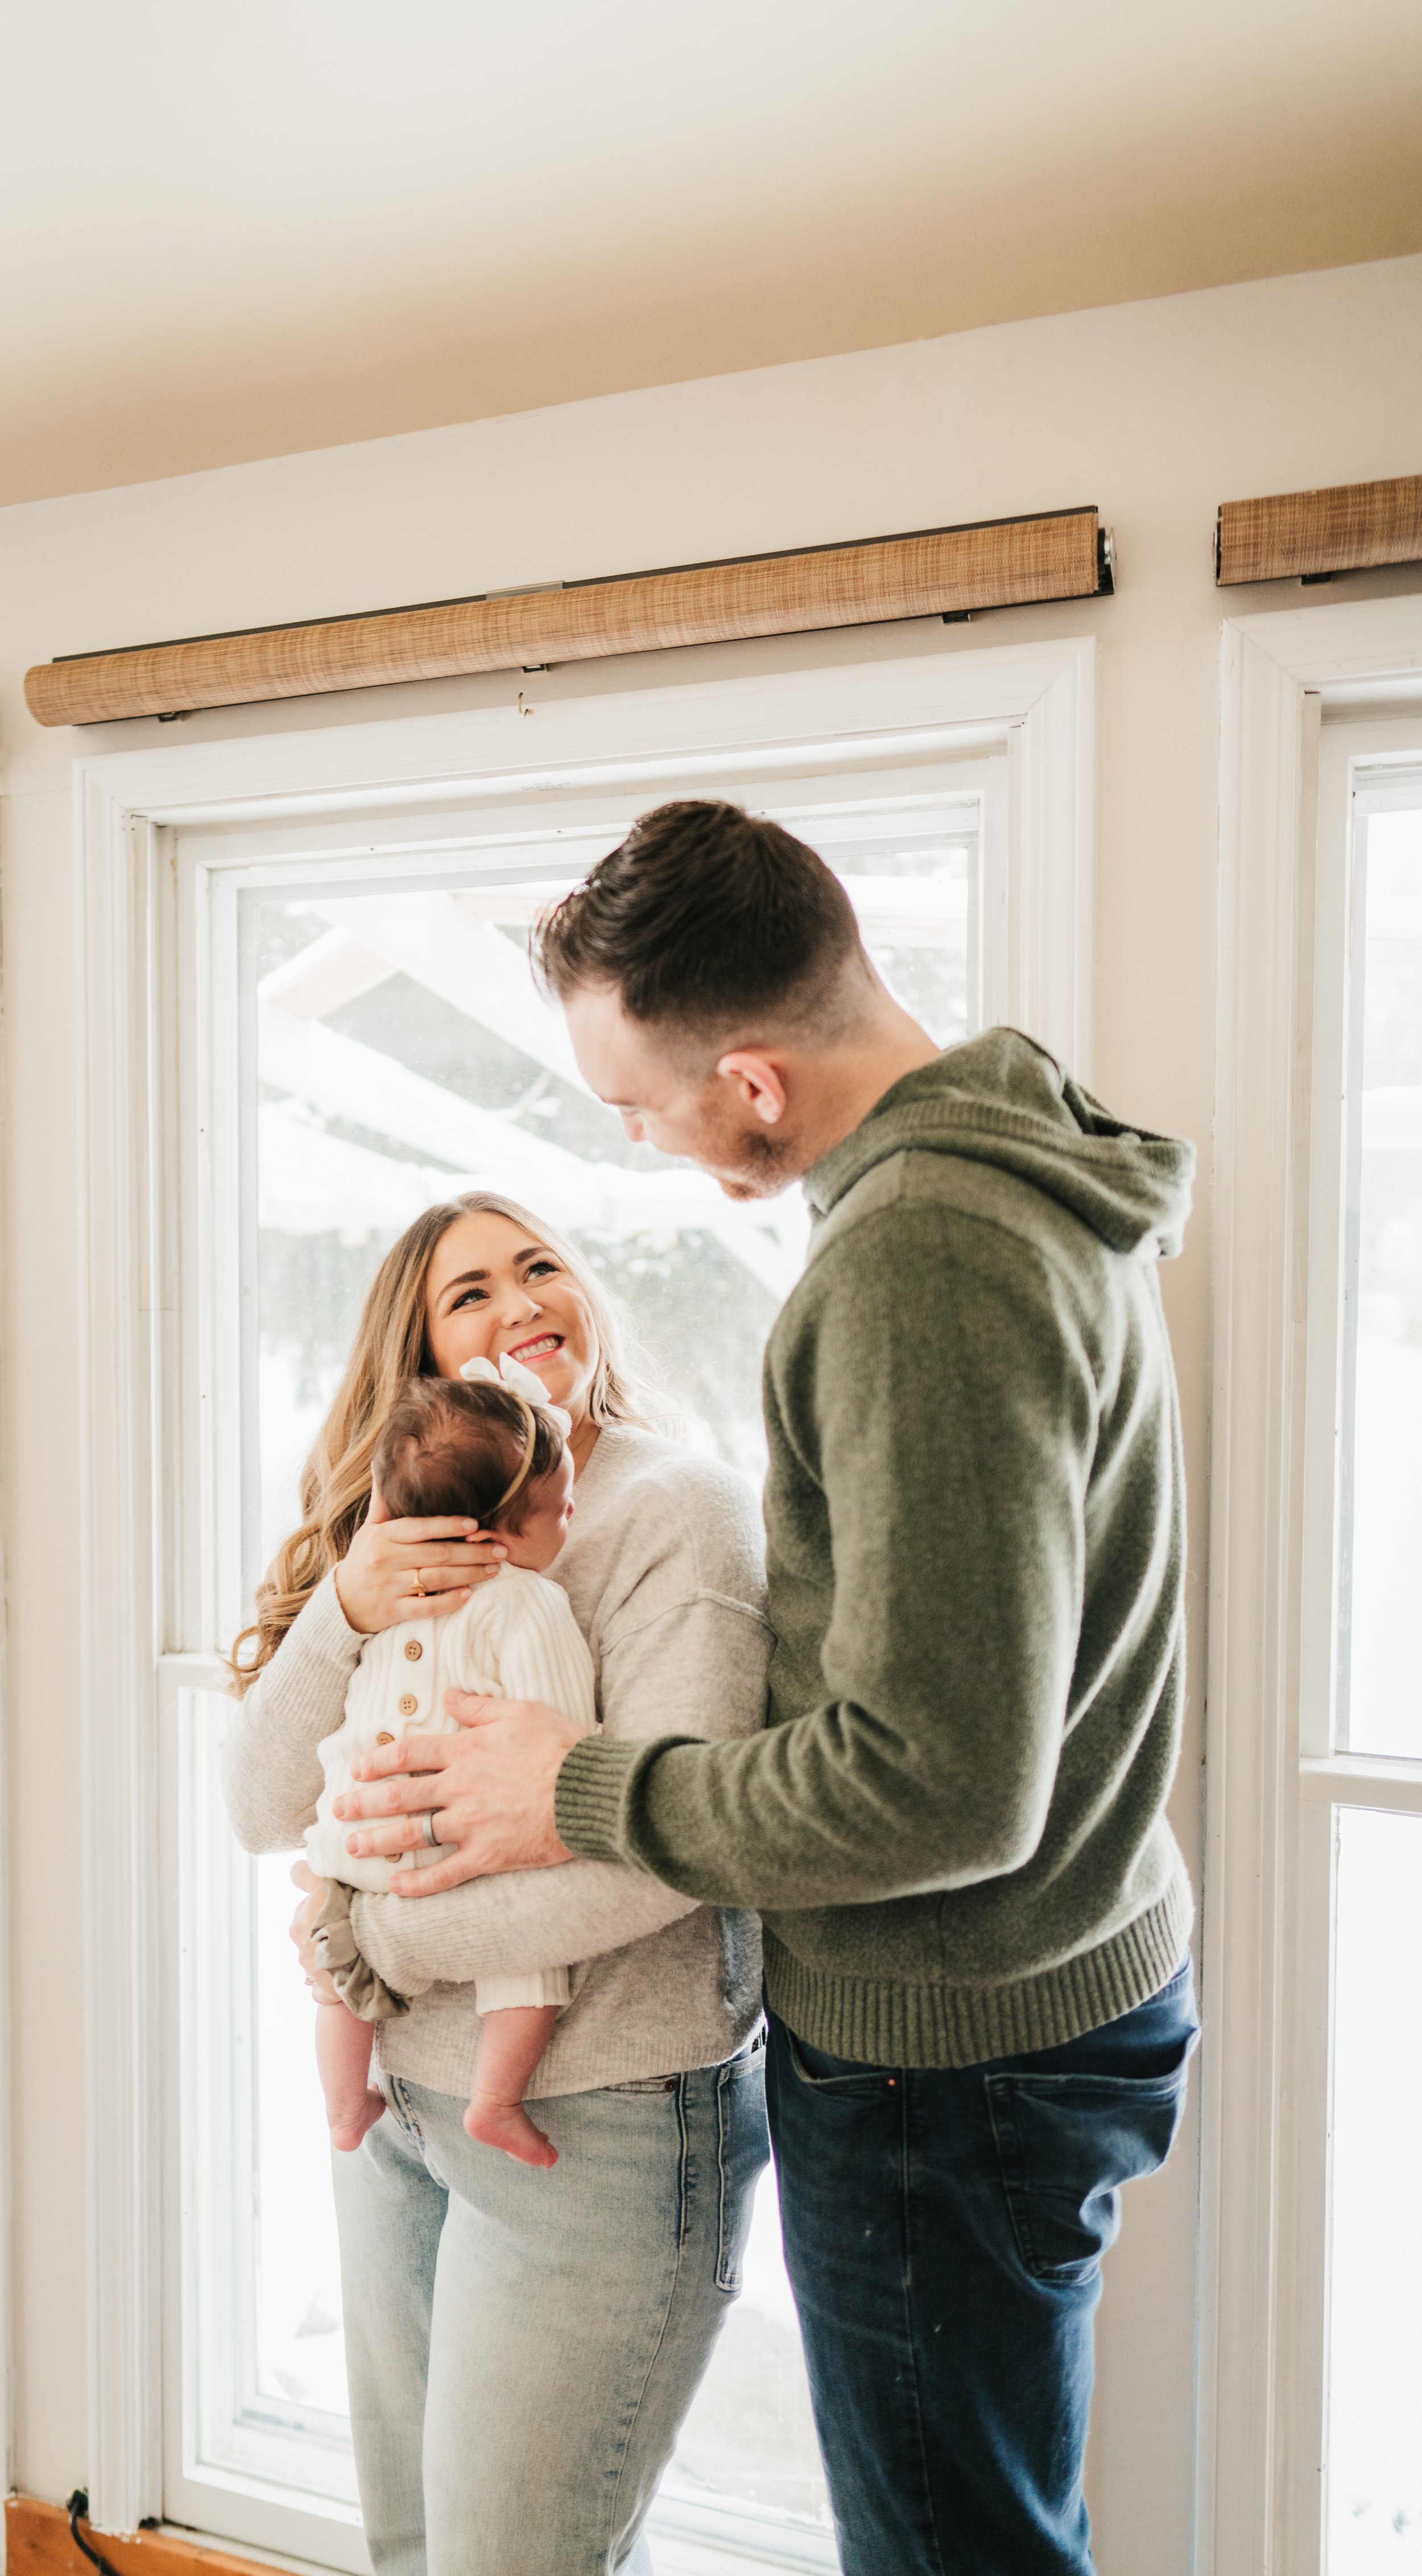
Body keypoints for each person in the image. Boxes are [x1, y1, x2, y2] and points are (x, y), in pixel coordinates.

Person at [332, 802, 1201, 2576]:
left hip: (946, 2051)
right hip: (1036, 2000)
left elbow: (943, 1783)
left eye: (639, 1108)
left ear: (749, 1080)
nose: (642, 1149)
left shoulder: (919, 1260)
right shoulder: (1004, 1168)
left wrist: (575, 1783)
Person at [222, 1188, 772, 2576]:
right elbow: (253, 1805)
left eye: (541, 1269)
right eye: (469, 1291)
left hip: (601, 2117)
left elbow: (666, 1860)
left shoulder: (671, 1514)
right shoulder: (390, 1535)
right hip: (398, 2112)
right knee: (414, 2546)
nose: (519, 1303)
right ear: (417, 1360)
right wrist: (346, 1606)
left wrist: (378, 1940)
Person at [305, 1362, 597, 2168]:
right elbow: (558, 1741)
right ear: (500, 1537)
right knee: (528, 1959)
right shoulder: (528, 1602)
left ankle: (341, 2104)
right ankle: (496, 2100)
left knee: (334, 1977)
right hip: (456, 1845)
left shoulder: (386, 1592)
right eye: (562, 1508)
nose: (573, 1516)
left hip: (351, 1839)